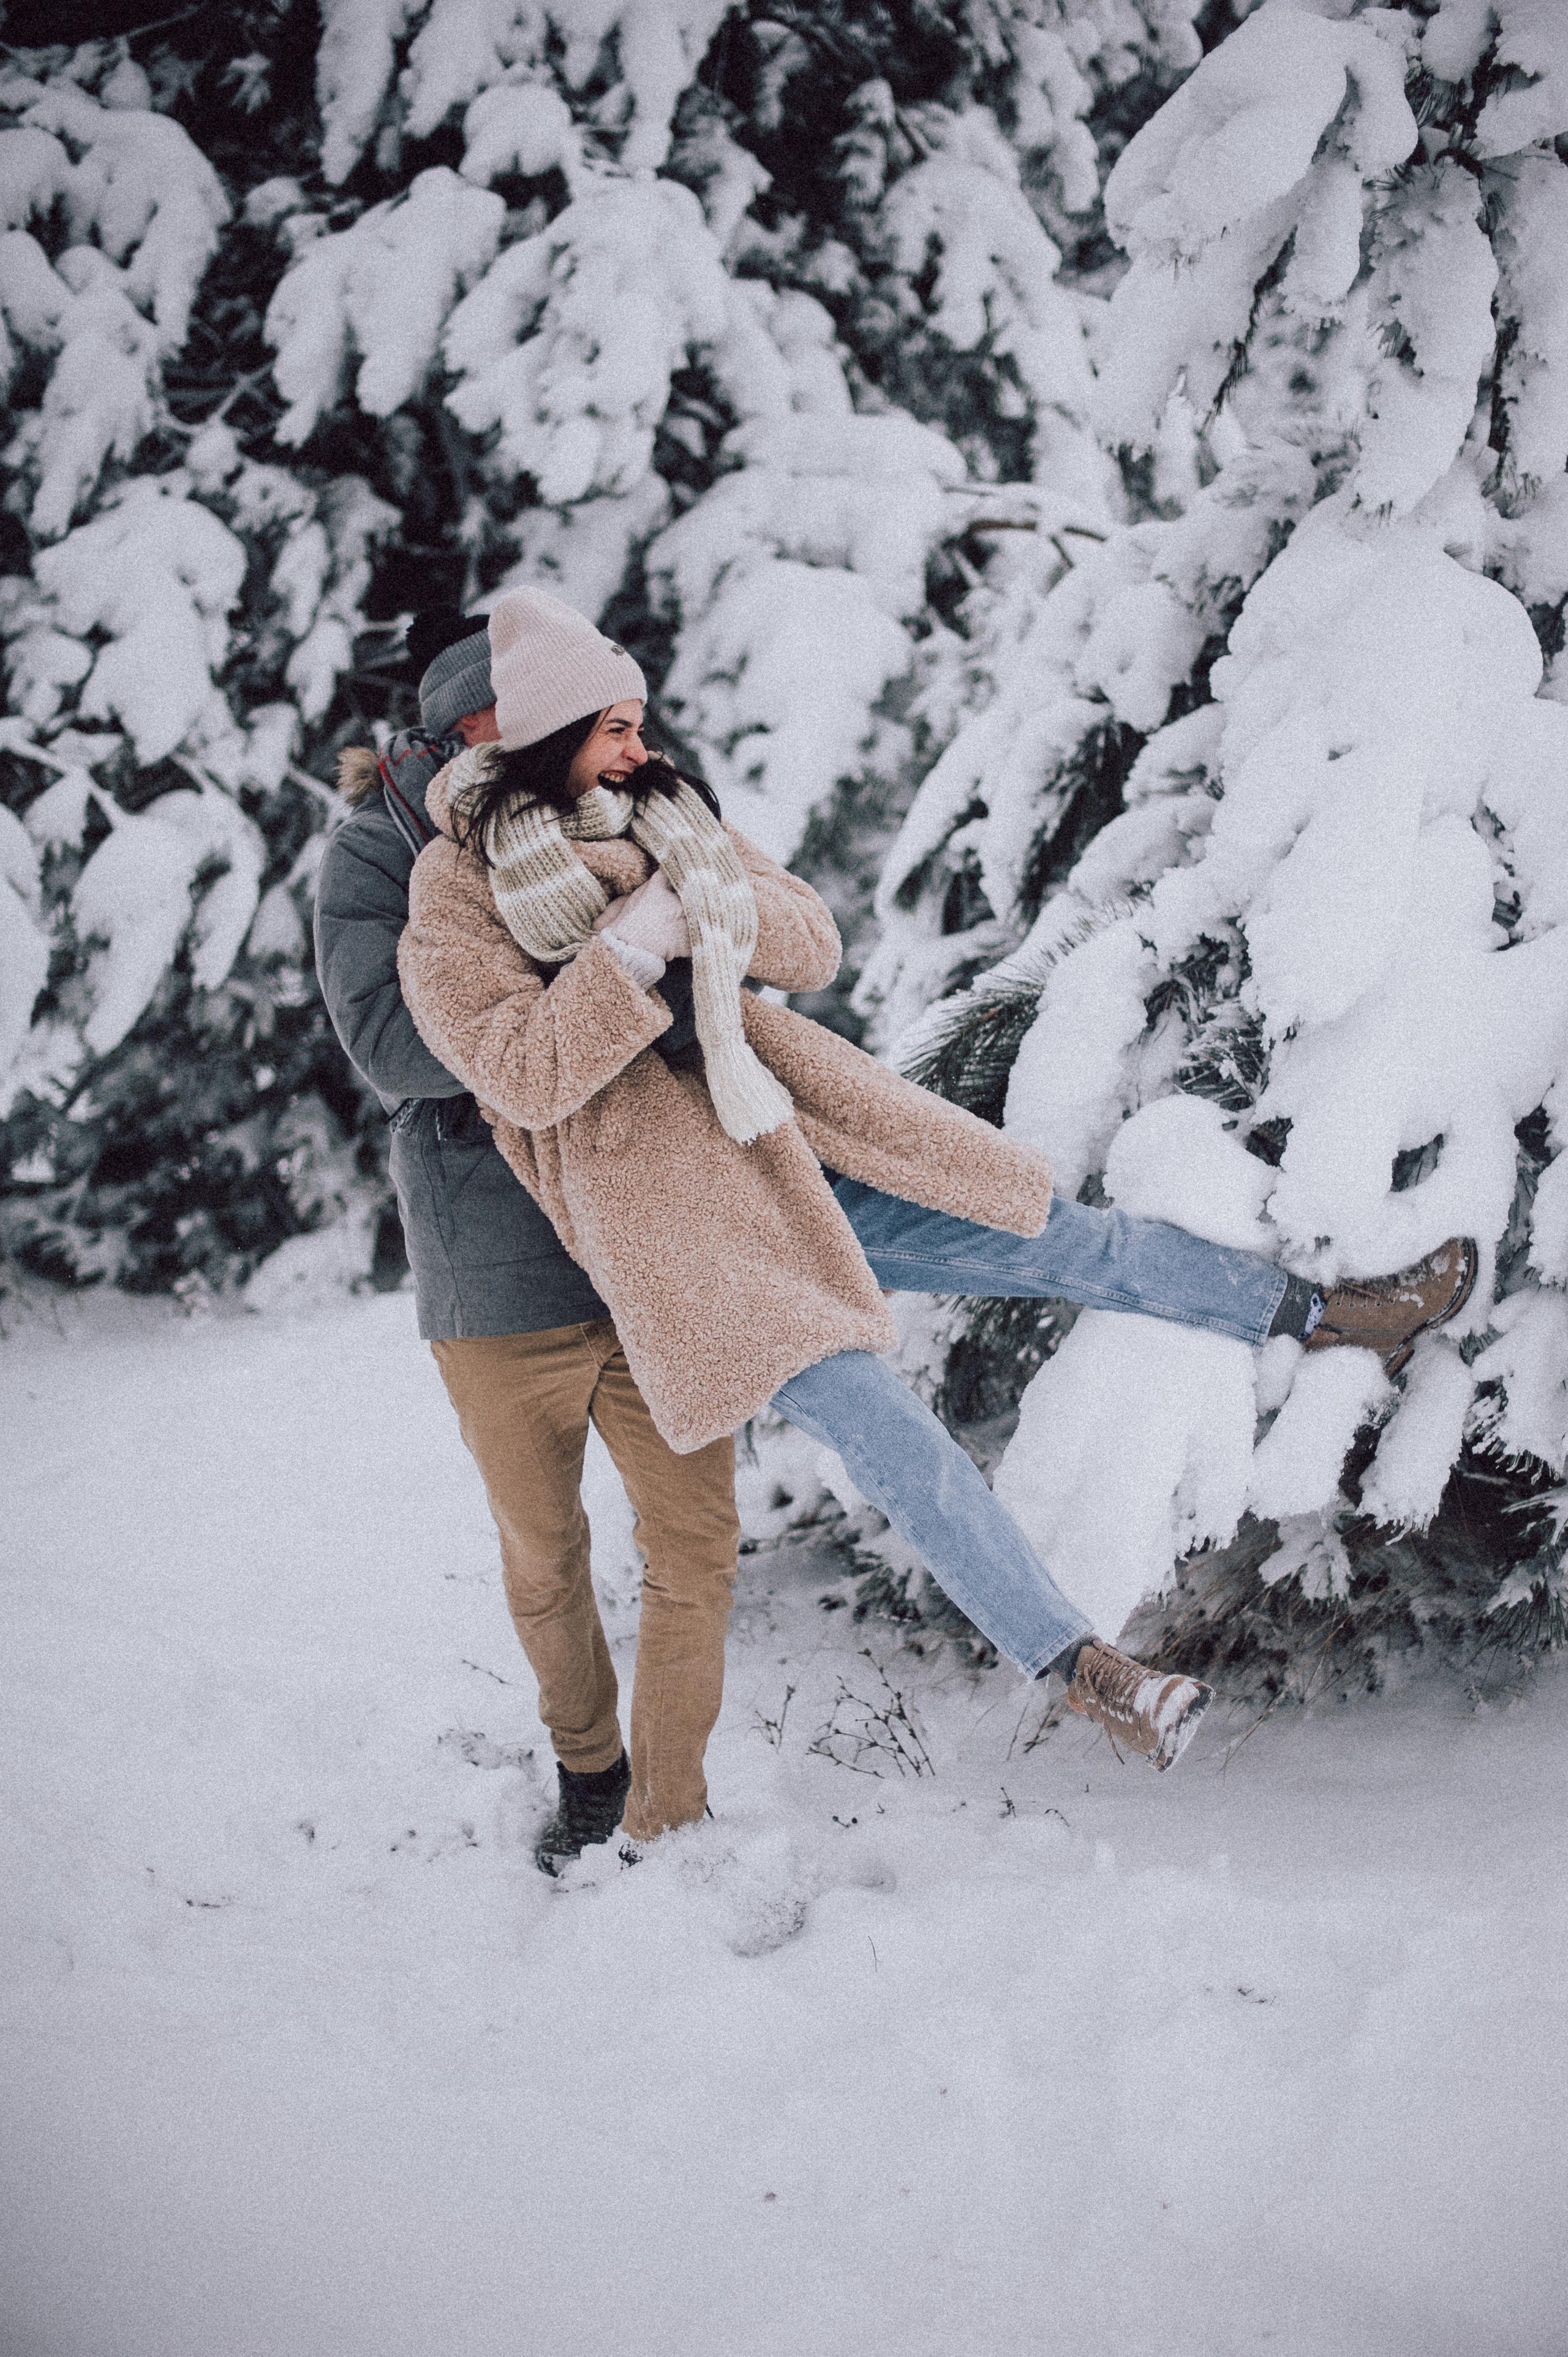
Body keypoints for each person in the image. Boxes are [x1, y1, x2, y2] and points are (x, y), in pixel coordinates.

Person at [379, 589, 1476, 1856]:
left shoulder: (662, 816)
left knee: (1065, 1236)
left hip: (796, 1142)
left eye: (637, 721)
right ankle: (1079, 1665)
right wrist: (628, 949)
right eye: (611, 725)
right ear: (544, 730)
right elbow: (516, 1072)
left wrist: (698, 885)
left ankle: (1330, 1312)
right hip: (690, 1238)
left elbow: (809, 940)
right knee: (896, 1432)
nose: (636, 746)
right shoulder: (451, 898)